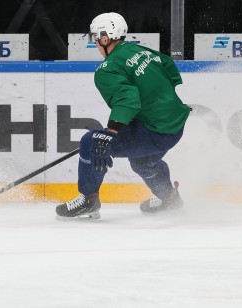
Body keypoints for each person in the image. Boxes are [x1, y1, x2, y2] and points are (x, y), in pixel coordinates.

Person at [56, 12, 191, 219]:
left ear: (105, 38)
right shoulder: (140, 51)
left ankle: (88, 199)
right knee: (142, 161)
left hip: (155, 130)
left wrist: (110, 132)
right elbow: (167, 65)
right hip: (175, 125)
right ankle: (169, 198)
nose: (96, 45)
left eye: (95, 39)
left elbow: (128, 98)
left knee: (92, 142)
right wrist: (159, 101)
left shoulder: (106, 69)